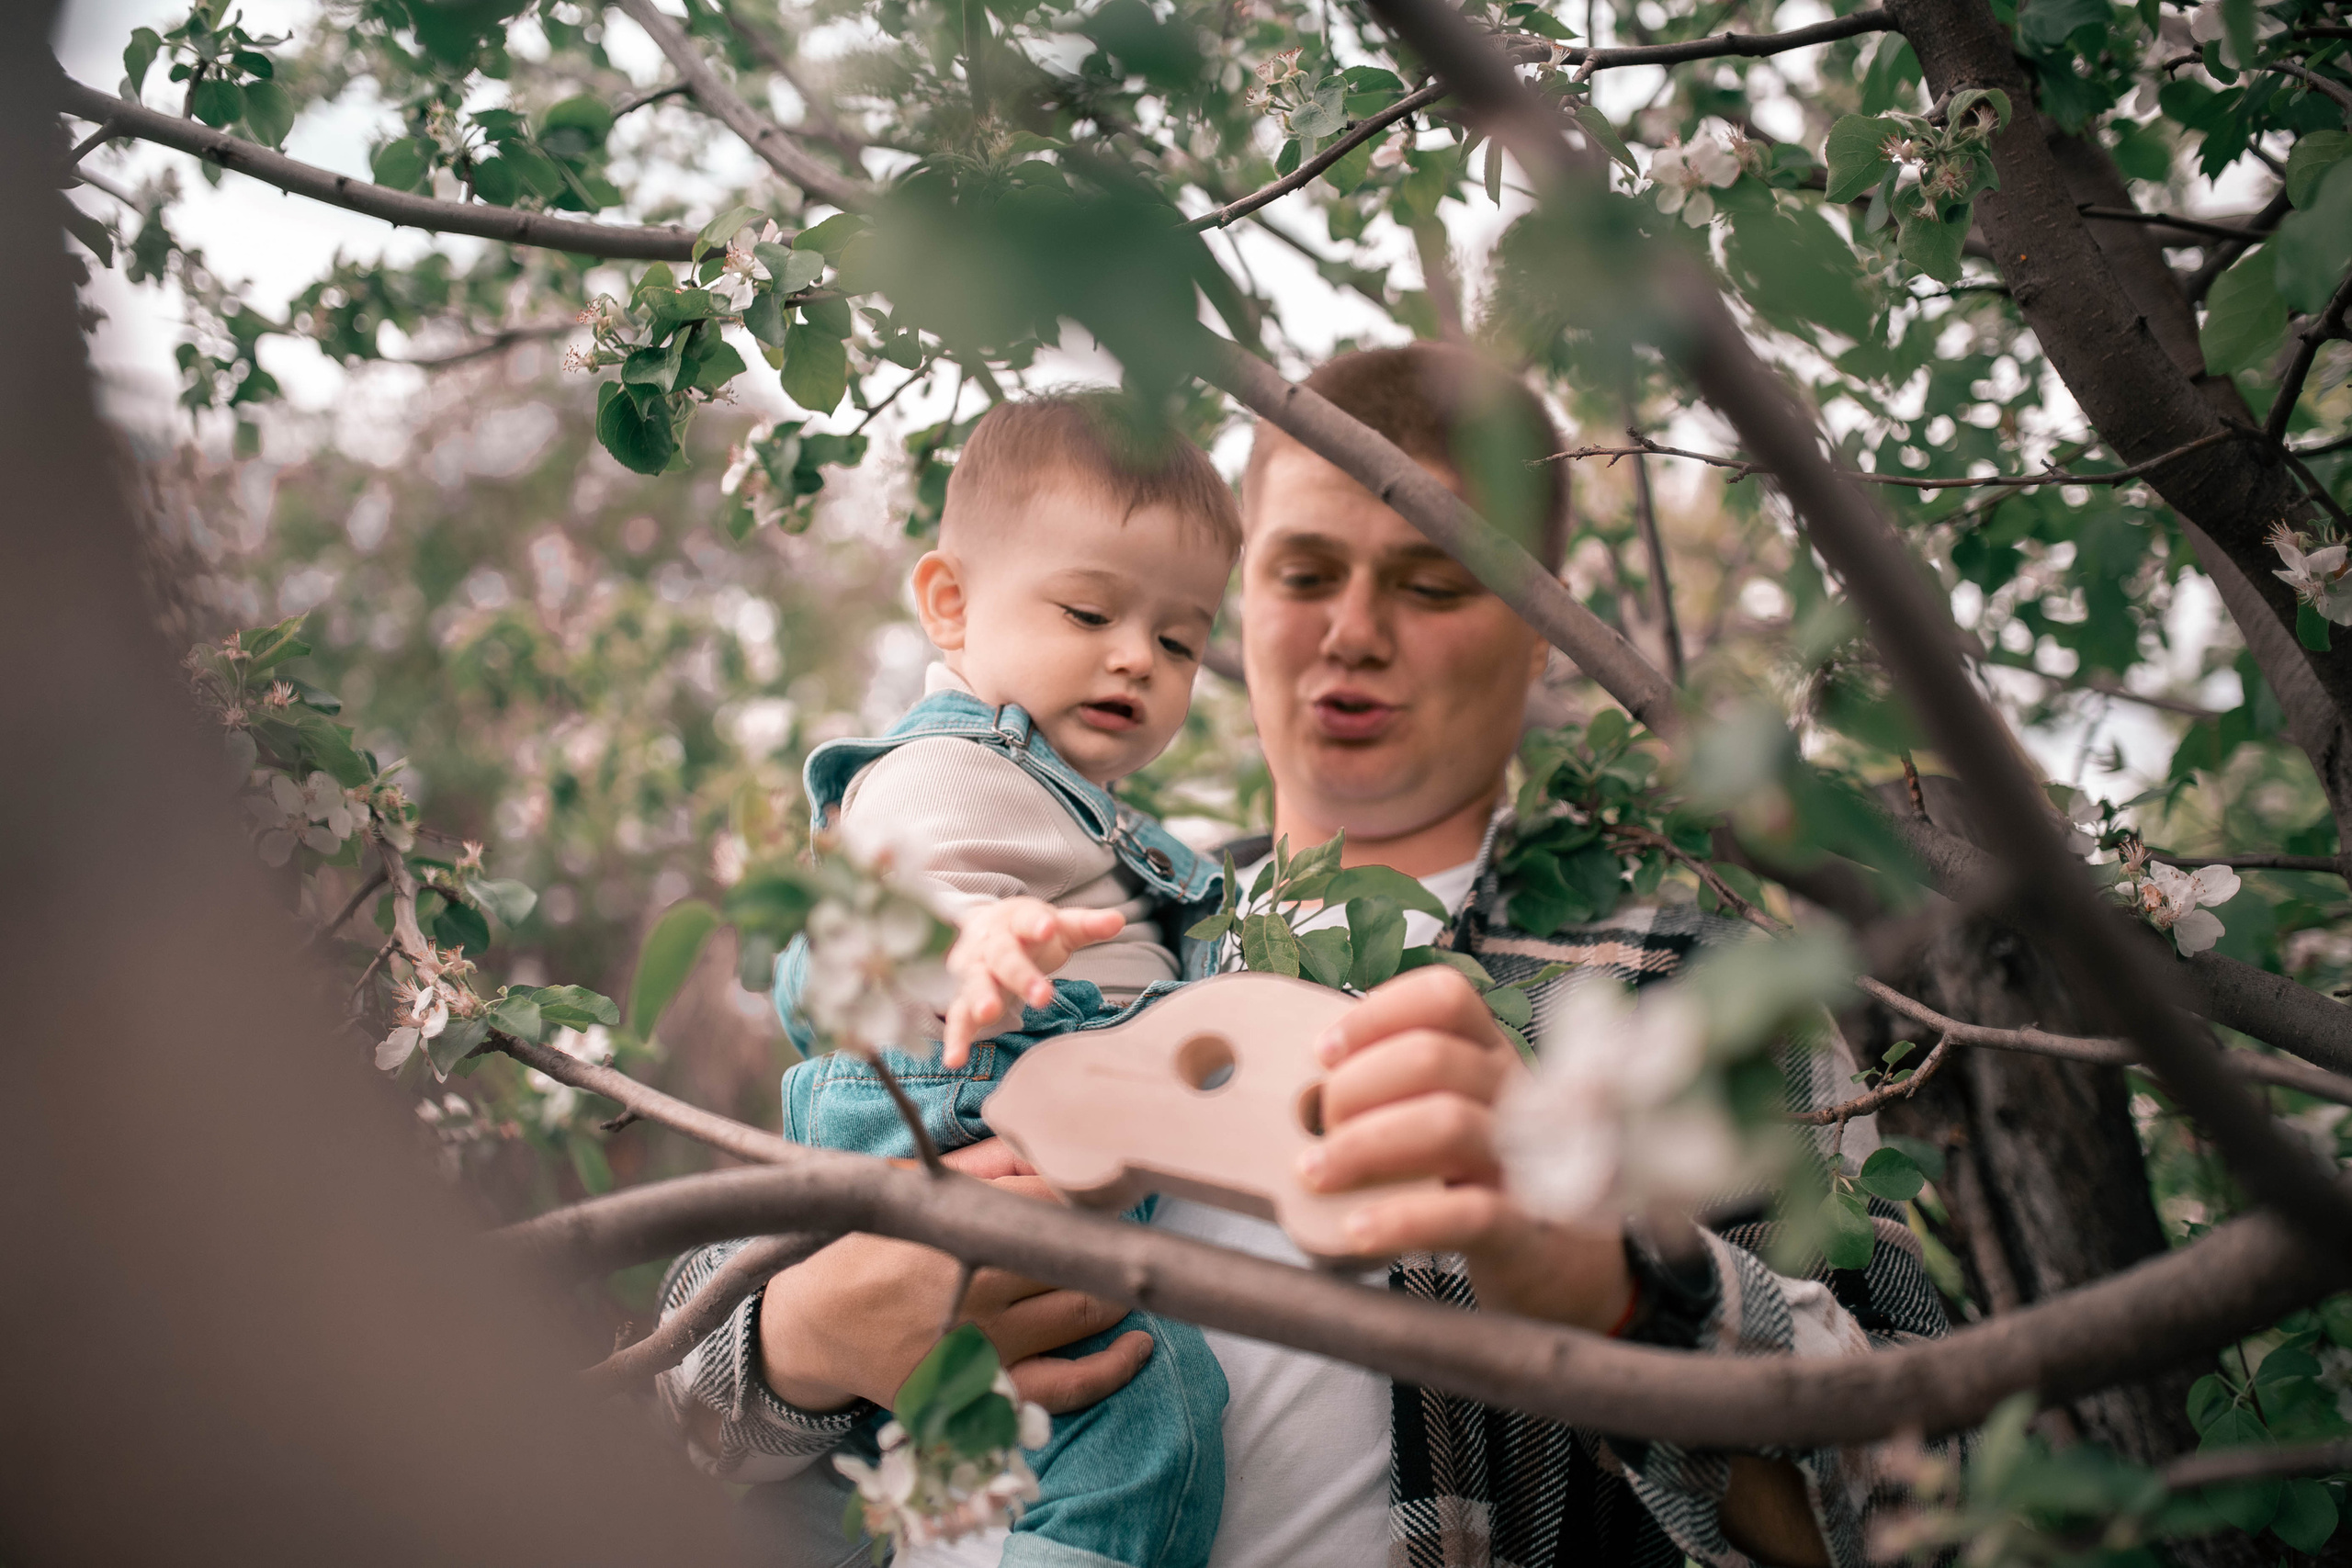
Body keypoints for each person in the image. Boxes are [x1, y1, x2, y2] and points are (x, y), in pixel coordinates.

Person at [657, 345, 1946, 1568]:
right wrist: (810, 1333)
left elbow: (1922, 1506)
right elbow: (667, 1395)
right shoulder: (1088, 910)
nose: (1356, 631)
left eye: (1434, 580)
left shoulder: (1698, 985)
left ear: (1543, 623)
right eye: (1304, 572)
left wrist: (1616, 1286)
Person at [764, 391, 1249, 1568]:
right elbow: (886, 889)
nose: (1137, 656)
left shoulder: (1072, 811)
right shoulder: (947, 763)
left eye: (1180, 641)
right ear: (949, 603)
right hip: (965, 1111)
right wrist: (970, 944)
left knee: (1002, 1436)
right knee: (1141, 1407)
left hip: (998, 1128)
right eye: (1090, 610)